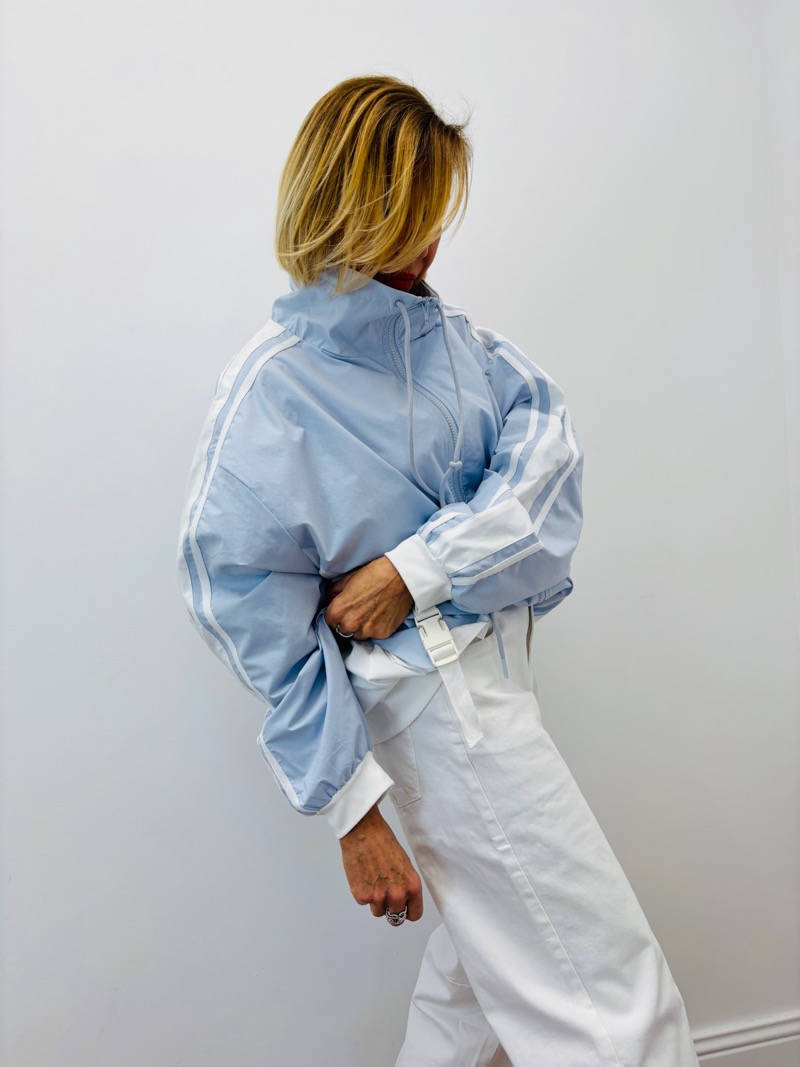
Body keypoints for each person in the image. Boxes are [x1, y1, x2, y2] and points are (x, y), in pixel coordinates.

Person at [178, 75, 700, 1067]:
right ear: (348, 207)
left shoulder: (459, 347)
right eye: (406, 219)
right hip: (436, 714)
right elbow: (244, 609)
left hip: (496, 689)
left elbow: (545, 464)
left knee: (472, 997)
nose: (427, 247)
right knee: (612, 1002)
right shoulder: (271, 394)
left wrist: (413, 566)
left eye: (433, 217)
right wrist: (352, 805)